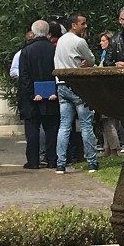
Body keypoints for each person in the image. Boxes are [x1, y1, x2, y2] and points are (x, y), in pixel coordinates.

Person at [54, 12, 98, 174]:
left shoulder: (60, 41)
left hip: (61, 84)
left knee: (64, 125)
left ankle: (60, 163)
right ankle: (92, 161)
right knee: (86, 124)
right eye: (83, 23)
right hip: (78, 85)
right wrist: (86, 64)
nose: (85, 26)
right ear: (74, 25)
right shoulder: (79, 41)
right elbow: (92, 61)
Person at [19, 20, 59, 169]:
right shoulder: (54, 49)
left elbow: (24, 76)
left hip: (31, 99)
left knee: (32, 130)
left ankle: (33, 160)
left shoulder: (27, 50)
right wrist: (54, 91)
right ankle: (52, 159)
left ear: (33, 32)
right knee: (51, 129)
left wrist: (31, 94)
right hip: (52, 95)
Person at [97, 31, 120, 157]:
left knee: (109, 120)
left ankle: (115, 148)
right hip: (103, 91)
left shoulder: (110, 56)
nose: (101, 43)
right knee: (105, 121)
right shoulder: (104, 55)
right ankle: (107, 148)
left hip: (108, 91)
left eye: (103, 40)